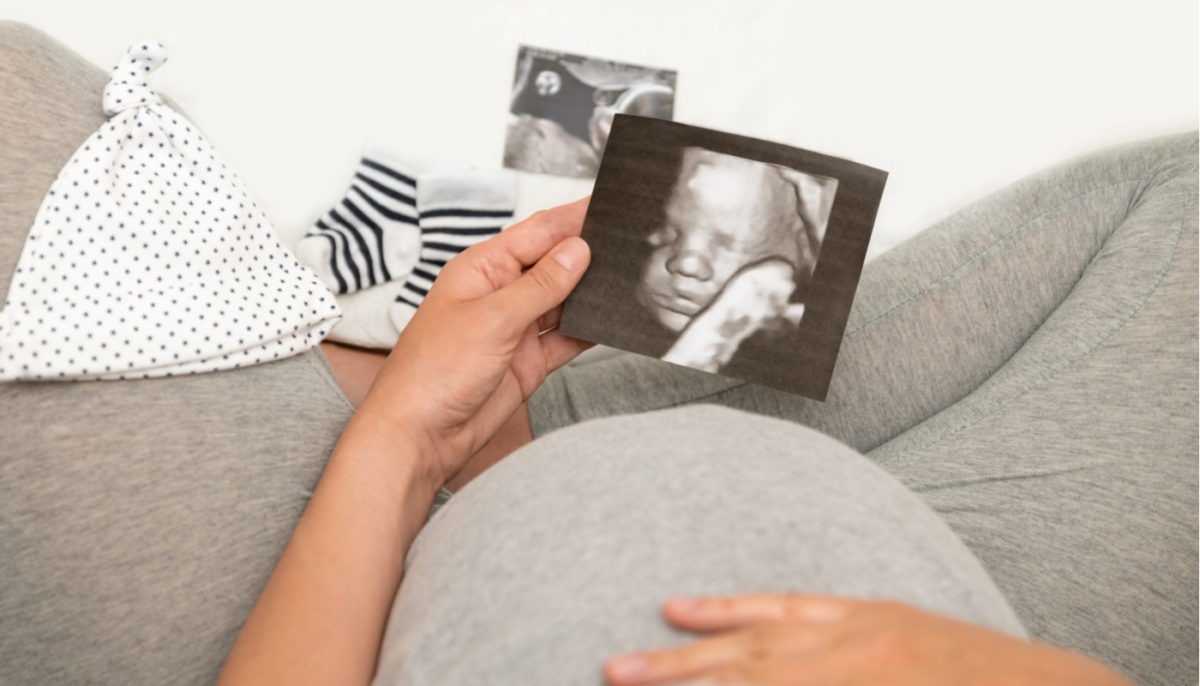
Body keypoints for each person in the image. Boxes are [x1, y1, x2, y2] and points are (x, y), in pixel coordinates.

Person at [1, 21, 1195, 686]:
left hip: (344, 551)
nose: (681, 259)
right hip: (963, 603)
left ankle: (521, 431)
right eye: (681, 243)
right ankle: (548, 421)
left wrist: (402, 444)